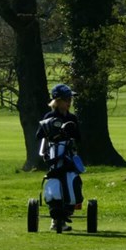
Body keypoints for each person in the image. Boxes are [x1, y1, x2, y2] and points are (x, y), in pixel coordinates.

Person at [36, 83, 83, 231]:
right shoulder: (49, 117)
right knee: (56, 182)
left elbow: (78, 137)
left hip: (68, 157)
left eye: (70, 99)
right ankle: (56, 219)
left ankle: (64, 215)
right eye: (66, 99)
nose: (69, 102)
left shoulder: (72, 118)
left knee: (71, 182)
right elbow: (40, 135)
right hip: (54, 157)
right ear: (57, 101)